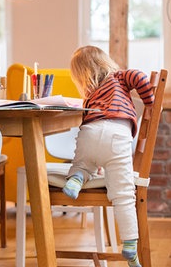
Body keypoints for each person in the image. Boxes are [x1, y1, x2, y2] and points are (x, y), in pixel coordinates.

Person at [63, 45, 154, 267]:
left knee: (83, 164)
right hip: (117, 137)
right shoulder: (119, 76)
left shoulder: (91, 94)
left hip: (89, 133)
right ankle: (130, 244)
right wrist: (150, 102)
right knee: (123, 195)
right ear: (105, 61)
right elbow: (139, 76)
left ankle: (76, 179)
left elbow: (95, 141)